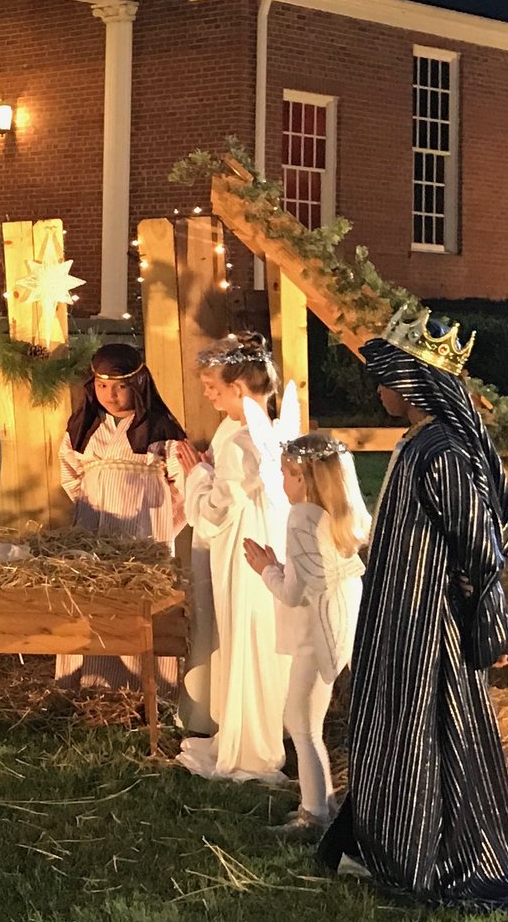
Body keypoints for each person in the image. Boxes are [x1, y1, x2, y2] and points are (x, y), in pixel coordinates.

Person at [319, 312, 508, 919]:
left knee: (430, 727)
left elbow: (479, 542)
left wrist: (481, 618)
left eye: (386, 379)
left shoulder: (442, 452)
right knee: (395, 722)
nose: (379, 390)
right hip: (401, 615)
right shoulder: (419, 445)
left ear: (414, 383)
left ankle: (424, 850)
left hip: (430, 624)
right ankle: (388, 840)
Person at [166, 335, 291, 784]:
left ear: (238, 386)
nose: (207, 394)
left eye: (213, 387)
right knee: (248, 634)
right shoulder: (258, 428)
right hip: (259, 541)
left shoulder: (242, 441)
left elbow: (213, 512)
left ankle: (252, 747)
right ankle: (245, 728)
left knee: (247, 635)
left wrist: (192, 473)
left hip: (244, 549)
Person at [244, 431, 366, 829]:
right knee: (306, 719)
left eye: (285, 474)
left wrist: (266, 568)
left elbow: (293, 593)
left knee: (300, 720)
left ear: (304, 478)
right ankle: (322, 802)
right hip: (339, 619)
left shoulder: (302, 518)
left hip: (316, 632)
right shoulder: (341, 516)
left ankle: (313, 813)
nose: (282, 482)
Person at [56, 342, 185, 687]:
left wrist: (161, 529)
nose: (110, 395)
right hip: (94, 531)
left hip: (143, 533)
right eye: (102, 386)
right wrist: (89, 511)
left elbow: (185, 484)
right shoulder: (84, 428)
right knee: (94, 600)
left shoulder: (162, 431)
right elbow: (70, 475)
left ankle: (148, 686)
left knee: (139, 605)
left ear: (139, 384)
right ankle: (92, 683)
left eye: (120, 386)